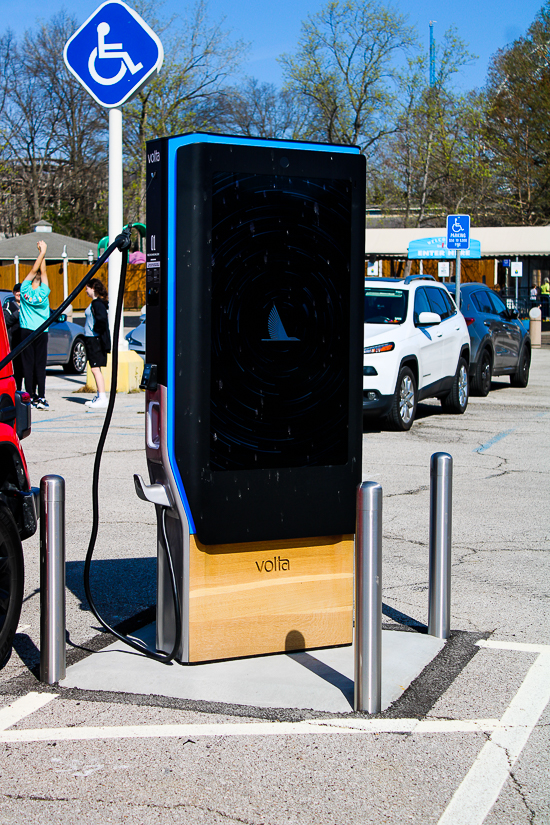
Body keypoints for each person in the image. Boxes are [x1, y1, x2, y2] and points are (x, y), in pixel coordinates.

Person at [19, 240, 50, 409]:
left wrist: (40, 253)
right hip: (41, 332)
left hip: (26, 331)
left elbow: (34, 270)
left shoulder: (24, 290)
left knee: (27, 365)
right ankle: (42, 396)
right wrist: (43, 252)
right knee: (40, 365)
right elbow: (41, 270)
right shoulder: (44, 292)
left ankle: (29, 395)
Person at [84, 278, 111, 410]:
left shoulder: (97, 304)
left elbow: (101, 319)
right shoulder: (95, 303)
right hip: (92, 339)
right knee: (95, 369)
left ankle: (102, 397)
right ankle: (99, 396)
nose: (86, 291)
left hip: (95, 339)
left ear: (93, 288)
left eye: (87, 288)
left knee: (95, 369)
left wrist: (95, 331)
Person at [2, 283, 23, 390]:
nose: (18, 293)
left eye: (21, 291)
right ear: (14, 293)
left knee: (26, 370)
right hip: (13, 344)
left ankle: (32, 394)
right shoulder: (9, 305)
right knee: (16, 369)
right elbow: (6, 320)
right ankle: (16, 391)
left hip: (25, 342)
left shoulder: (28, 306)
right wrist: (17, 314)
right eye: (16, 291)